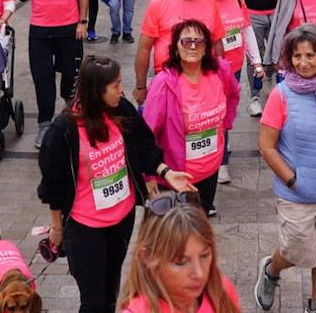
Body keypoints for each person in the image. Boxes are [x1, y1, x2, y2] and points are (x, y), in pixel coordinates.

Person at [38, 56, 195, 313]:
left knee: (110, 297)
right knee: (93, 303)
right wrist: (57, 228)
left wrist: (166, 173)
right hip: (85, 228)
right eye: (115, 85)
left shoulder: (121, 108)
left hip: (121, 221)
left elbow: (144, 145)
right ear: (96, 91)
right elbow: (52, 186)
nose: (121, 90)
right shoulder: (63, 130)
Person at [254, 25, 316, 313]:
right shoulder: (282, 94)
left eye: (310, 55)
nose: (304, 62)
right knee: (297, 251)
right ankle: (271, 270)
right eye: (297, 56)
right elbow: (267, 145)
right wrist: (291, 180)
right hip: (297, 194)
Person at [142, 22, 241, 216]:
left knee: (199, 226)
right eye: (187, 42)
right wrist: (149, 174)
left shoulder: (220, 71)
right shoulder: (163, 84)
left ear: (206, 47)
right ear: (176, 48)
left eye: (199, 42)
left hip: (210, 171)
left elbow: (233, 94)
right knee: (175, 240)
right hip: (174, 177)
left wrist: (226, 123)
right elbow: (146, 134)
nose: (193, 47)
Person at [18, 0, 89, 148]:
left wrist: (83, 22)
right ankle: (44, 124)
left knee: (71, 73)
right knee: (42, 78)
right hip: (40, 30)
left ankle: (70, 112)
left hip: (69, 27)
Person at [118, 199, 241, 313]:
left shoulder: (221, 291)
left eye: (204, 256)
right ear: (148, 257)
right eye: (181, 262)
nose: (199, 273)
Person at [134, 0, 225, 102]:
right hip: (168, 82)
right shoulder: (157, 5)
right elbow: (144, 48)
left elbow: (217, 42)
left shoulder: (210, 2)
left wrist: (221, 77)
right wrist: (140, 86)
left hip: (202, 80)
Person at [208, 0, 264, 182]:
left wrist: (257, 62)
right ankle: (222, 162)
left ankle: (223, 139)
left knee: (228, 109)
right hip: (212, 70)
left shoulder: (238, 0)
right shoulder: (205, 4)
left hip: (236, 66)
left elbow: (247, 31)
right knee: (218, 113)